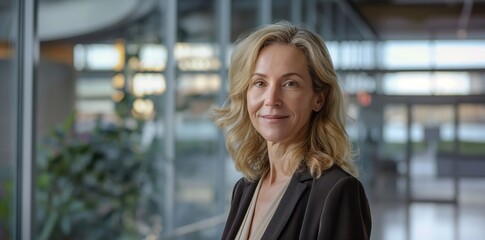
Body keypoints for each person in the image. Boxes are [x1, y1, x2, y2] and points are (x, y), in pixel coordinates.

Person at [213, 21, 371, 240]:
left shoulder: (337, 190)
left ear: (318, 98)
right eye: (259, 83)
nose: (271, 100)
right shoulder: (245, 188)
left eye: (290, 84)